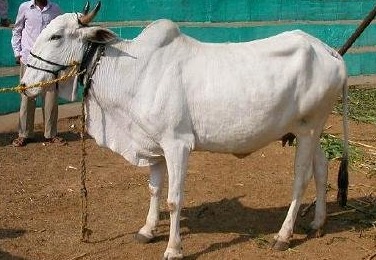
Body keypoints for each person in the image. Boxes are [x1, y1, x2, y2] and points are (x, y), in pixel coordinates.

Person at [11, 0, 65, 147]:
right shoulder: (24, 8)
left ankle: (51, 134)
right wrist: (17, 53)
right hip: (28, 60)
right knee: (27, 97)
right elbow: (17, 30)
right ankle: (24, 134)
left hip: (48, 62)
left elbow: (60, 32)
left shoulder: (55, 10)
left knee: (50, 98)